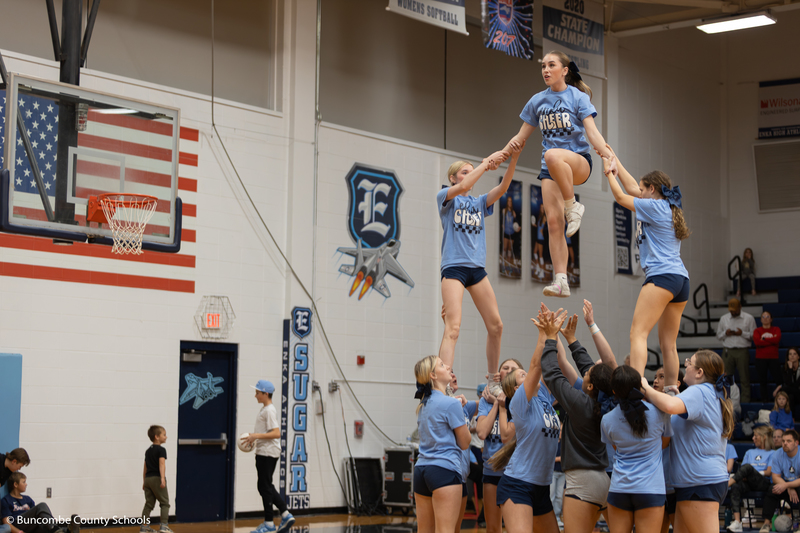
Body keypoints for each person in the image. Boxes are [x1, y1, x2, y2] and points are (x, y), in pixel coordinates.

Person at [506, 50, 617, 298]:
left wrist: (608, 155)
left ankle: (573, 205)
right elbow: (520, 137)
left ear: (564, 70)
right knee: (554, 223)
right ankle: (561, 280)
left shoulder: (577, 97)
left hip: (578, 163)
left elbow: (593, 133)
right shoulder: (537, 101)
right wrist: (501, 153)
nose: (545, 70)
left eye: (551, 65)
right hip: (551, 171)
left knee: (552, 154)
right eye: (543, 66)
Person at [437, 143, 522, 392]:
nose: (467, 176)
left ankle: (493, 380)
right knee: (453, 327)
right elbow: (462, 187)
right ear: (453, 177)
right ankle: (444, 384)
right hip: (454, 268)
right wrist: (486, 163)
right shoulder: (446, 196)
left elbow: (504, 187)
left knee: (496, 325)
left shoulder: (479, 203)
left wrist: (513, 158)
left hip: (476, 269)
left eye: (470, 171)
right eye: (464, 171)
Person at [602, 152, 689, 391]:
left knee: (637, 333)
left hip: (661, 276)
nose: (638, 192)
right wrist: (614, 158)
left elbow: (621, 196)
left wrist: (609, 174)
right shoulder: (667, 206)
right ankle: (672, 390)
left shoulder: (654, 207)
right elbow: (631, 186)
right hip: (681, 280)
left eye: (642, 189)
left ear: (652, 189)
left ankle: (635, 385)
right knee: (668, 344)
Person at [640, 350, 734, 533]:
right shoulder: (706, 392)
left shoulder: (699, 391)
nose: (685, 365)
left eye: (689, 363)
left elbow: (669, 406)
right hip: (694, 482)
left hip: (700, 482)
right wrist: (675, 397)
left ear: (699, 372)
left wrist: (646, 388)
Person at [539, 308, 614, 533]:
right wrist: (571, 340)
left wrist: (551, 339)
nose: (585, 373)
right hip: (604, 480)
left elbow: (552, 373)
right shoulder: (605, 400)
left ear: (590, 386)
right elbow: (591, 369)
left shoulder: (581, 403)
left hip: (582, 482)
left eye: (587, 376)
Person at [489, 308, 562, 533]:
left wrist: (554, 330)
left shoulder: (544, 397)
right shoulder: (519, 402)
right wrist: (543, 334)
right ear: (517, 387)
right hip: (518, 485)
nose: (528, 375)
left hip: (541, 486)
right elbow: (536, 366)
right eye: (522, 375)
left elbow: (552, 363)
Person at [602, 365, 672, 533]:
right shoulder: (660, 413)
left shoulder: (606, 420)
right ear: (641, 387)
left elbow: (616, 447)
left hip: (619, 488)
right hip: (650, 489)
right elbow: (665, 444)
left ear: (613, 391)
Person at [413, 355, 470, 533]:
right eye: (442, 365)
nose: (447, 367)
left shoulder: (423, 404)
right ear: (433, 375)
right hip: (444, 470)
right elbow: (465, 442)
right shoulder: (450, 404)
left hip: (421, 470)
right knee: (446, 530)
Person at [476, 358, 523, 533]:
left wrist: (504, 404)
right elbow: (481, 432)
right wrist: (496, 402)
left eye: (514, 369)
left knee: (515, 527)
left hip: (516, 473)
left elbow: (508, 436)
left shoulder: (522, 401)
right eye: (505, 368)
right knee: (493, 528)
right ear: (498, 375)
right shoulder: (486, 401)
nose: (509, 371)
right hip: (491, 471)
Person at [242, 380, 294, 533]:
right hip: (264, 452)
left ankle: (269, 523)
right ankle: (285, 514)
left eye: (258, 393)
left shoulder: (269, 410)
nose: (255, 395)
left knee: (264, 487)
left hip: (267, 453)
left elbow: (276, 433)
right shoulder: (265, 409)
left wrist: (255, 436)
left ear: (265, 394)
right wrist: (255, 437)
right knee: (265, 486)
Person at [651, 368, 685, 533]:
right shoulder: (649, 409)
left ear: (677, 383)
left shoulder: (680, 409)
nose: (656, 381)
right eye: (655, 377)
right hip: (654, 484)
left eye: (662, 377)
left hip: (673, 484)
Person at [726, 425, 776, 532]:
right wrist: (747, 474)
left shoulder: (773, 453)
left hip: (763, 483)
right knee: (736, 485)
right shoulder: (749, 452)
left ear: (764, 437)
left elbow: (768, 472)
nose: (753, 438)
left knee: (748, 468)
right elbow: (743, 471)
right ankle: (737, 522)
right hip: (748, 482)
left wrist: (752, 472)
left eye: (756, 436)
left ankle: (726, 485)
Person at [0, 472, 78, 533]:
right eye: (24, 482)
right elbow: (7, 523)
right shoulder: (6, 500)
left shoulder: (28, 499)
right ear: (15, 484)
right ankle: (57, 528)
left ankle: (67, 530)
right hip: (18, 524)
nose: (26, 484)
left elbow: (38, 516)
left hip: (31, 526)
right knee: (42, 505)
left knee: (44, 526)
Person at [757, 429, 800, 533]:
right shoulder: (777, 454)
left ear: (796, 443)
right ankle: (766, 524)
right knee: (772, 489)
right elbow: (775, 477)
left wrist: (787, 485)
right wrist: (788, 487)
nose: (785, 443)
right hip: (785, 486)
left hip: (797, 486)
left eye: (789, 441)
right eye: (783, 441)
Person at [716, 298, 756, 403]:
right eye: (731, 310)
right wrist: (726, 333)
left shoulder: (749, 318)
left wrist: (742, 333)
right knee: (725, 377)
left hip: (742, 350)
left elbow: (754, 335)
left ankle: (745, 401)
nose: (733, 312)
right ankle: (726, 401)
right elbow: (718, 335)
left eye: (735, 310)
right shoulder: (724, 318)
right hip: (728, 350)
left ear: (740, 307)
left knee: (744, 377)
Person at [140, 425, 171, 533]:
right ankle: (164, 526)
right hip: (156, 478)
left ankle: (144, 527)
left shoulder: (148, 451)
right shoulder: (161, 450)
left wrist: (144, 481)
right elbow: (161, 464)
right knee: (164, 503)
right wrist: (162, 478)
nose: (166, 437)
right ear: (157, 437)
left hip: (148, 479)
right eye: (164, 435)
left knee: (148, 504)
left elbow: (145, 467)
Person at [468, 385, 486, 526]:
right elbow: (469, 430)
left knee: (485, 480)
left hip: (483, 448)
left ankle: (483, 514)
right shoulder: (474, 409)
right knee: (481, 478)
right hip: (474, 449)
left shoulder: (489, 409)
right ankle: (481, 514)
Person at [755, 310, 782, 403]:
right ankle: (764, 400)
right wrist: (771, 340)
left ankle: (780, 399)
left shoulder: (776, 329)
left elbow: (777, 340)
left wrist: (764, 339)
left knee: (778, 379)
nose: (765, 319)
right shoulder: (757, 331)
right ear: (761, 320)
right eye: (763, 317)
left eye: (767, 317)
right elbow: (757, 342)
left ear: (771, 319)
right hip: (760, 358)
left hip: (773, 358)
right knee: (762, 381)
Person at [776, 347, 800, 415]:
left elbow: (796, 385)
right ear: (788, 357)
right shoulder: (785, 368)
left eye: (794, 354)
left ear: (798, 356)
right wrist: (790, 369)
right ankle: (791, 418)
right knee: (790, 397)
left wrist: (781, 387)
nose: (792, 356)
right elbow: (788, 383)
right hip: (792, 394)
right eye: (790, 354)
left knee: (784, 389)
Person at [502, 196, 518, 274]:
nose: (509, 202)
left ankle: (508, 266)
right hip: (506, 232)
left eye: (510, 201)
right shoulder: (504, 211)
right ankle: (503, 265)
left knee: (509, 249)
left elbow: (516, 223)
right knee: (504, 248)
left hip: (511, 232)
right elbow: (502, 221)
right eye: (508, 201)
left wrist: (518, 227)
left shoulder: (513, 213)